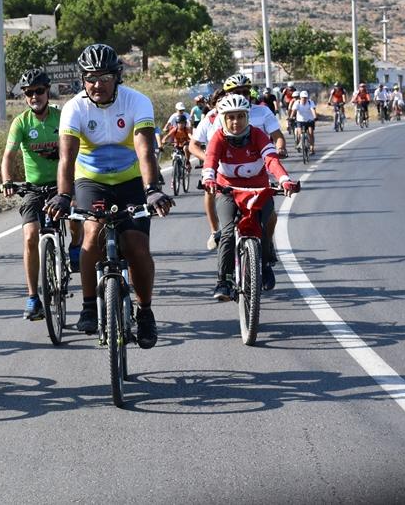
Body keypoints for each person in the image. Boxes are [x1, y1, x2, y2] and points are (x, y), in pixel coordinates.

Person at [46, 44, 174, 349]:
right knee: (91, 235)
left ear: (117, 77)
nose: (96, 84)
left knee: (137, 246)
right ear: (82, 80)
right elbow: (66, 158)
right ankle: (89, 304)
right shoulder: (74, 107)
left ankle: (145, 313)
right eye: (90, 78)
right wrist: (64, 195)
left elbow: (144, 149)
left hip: (131, 181)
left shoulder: (137, 101)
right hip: (91, 181)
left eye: (104, 77)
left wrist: (153, 189)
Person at [0, 68, 78, 321]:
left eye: (39, 91)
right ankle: (33, 297)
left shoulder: (62, 116)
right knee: (31, 236)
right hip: (33, 189)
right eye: (29, 93)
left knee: (77, 211)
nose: (35, 97)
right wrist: (7, 181)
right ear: (25, 97)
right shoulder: (21, 122)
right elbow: (8, 157)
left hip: (61, 185)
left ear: (48, 91)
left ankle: (75, 247)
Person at [201, 95, 299, 298]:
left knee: (263, 228)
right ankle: (224, 281)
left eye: (240, 117)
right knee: (227, 232)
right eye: (230, 117)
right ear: (223, 119)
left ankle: (264, 263)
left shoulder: (258, 135)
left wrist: (284, 179)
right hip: (228, 190)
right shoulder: (218, 137)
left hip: (258, 190)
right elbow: (210, 160)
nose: (235, 122)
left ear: (247, 117)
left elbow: (271, 160)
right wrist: (209, 178)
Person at [190, 74, 285, 251]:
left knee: (269, 214)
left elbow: (276, 138)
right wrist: (210, 159)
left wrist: (278, 151)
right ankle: (214, 231)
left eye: (245, 91)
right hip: (222, 171)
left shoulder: (262, 112)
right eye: (236, 92)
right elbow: (195, 145)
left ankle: (266, 244)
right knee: (210, 192)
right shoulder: (213, 117)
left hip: (256, 170)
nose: (236, 122)